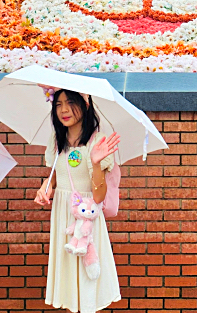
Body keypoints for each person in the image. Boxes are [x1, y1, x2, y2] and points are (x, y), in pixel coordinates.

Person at [34, 89, 123, 313]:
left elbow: (99, 197)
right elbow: (53, 179)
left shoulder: (97, 140)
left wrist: (95, 163)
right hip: (62, 215)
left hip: (87, 218)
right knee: (67, 278)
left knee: (87, 278)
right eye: (58, 104)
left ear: (85, 104)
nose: (63, 110)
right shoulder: (56, 140)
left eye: (70, 103)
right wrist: (45, 189)